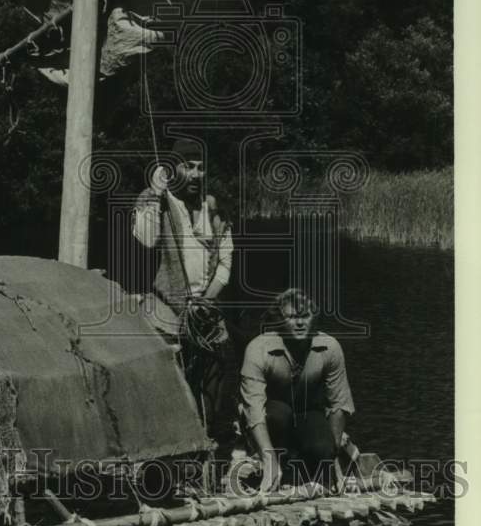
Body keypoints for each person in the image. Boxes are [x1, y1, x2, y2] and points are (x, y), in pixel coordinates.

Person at [132, 137, 234, 432]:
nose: (196, 174)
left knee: (213, 390)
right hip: (165, 311)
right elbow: (146, 239)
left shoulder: (214, 207)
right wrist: (155, 194)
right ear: (172, 169)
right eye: (188, 166)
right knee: (167, 391)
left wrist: (206, 301)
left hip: (206, 311)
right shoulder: (154, 199)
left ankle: (210, 437)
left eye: (200, 168)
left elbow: (225, 264)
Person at [239, 288, 355, 492]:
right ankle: (272, 461)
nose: (300, 323)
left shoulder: (330, 347)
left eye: (305, 316)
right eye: (292, 317)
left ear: (314, 318)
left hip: (307, 412)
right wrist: (269, 459)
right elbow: (253, 409)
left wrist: (332, 456)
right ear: (280, 320)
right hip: (272, 415)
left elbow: (339, 403)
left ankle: (304, 461)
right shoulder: (258, 349)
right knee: (280, 415)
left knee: (321, 448)